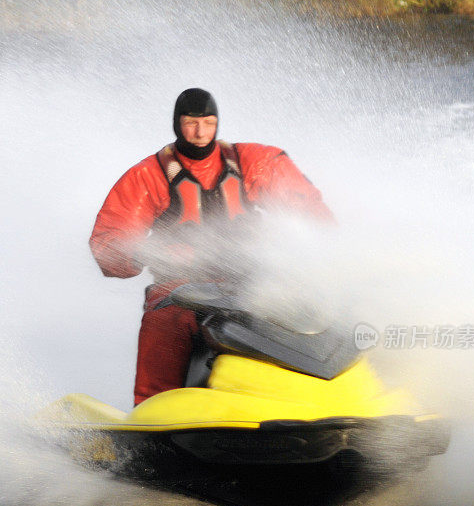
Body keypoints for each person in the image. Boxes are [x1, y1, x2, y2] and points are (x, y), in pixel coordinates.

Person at [90, 88, 333, 405]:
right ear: (178, 124)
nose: (200, 131)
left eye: (208, 122)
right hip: (182, 288)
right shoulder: (147, 176)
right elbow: (108, 237)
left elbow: (308, 207)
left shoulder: (251, 162)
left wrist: (322, 245)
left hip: (253, 281)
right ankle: (152, 410)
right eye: (191, 122)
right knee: (167, 318)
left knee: (317, 304)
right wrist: (136, 252)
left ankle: (331, 390)